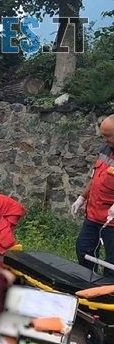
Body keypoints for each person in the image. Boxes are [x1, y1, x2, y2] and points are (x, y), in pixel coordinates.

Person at [72, 114, 114, 270]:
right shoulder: (105, 150)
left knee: (112, 262)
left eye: (108, 136)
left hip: (112, 221)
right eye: (103, 135)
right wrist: (82, 198)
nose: (105, 139)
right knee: (83, 250)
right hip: (94, 216)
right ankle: (86, 284)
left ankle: (109, 291)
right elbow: (96, 177)